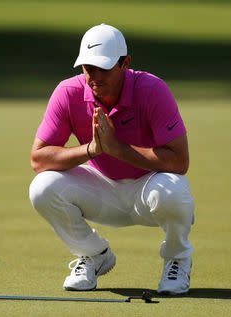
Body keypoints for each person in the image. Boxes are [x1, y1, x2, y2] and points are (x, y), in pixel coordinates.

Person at [29, 24, 195, 295]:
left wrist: (118, 149)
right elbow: (39, 158)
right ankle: (94, 255)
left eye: (103, 68)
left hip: (147, 188)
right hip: (99, 190)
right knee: (42, 187)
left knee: (174, 189)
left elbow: (180, 161)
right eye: (87, 68)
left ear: (125, 63)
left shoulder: (153, 89)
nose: (94, 77)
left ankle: (177, 258)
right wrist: (92, 149)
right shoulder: (68, 92)